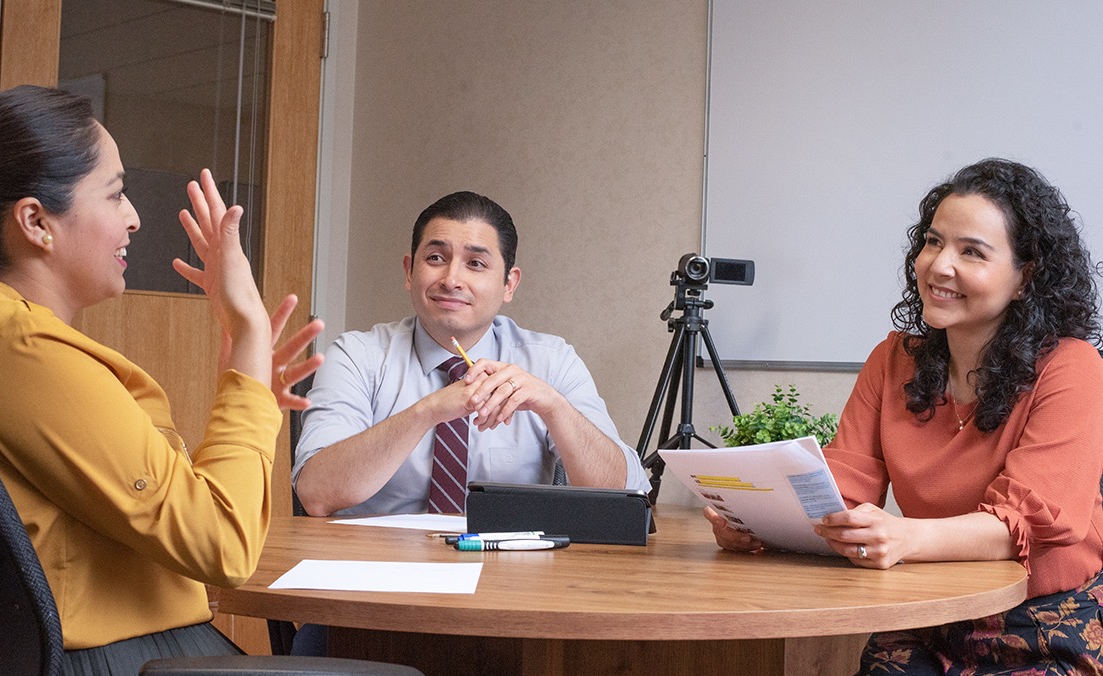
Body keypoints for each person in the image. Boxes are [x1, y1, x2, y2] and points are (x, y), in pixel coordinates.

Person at [0, 85, 324, 672]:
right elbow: (223, 545)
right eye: (116, 193)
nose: (134, 217)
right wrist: (251, 334)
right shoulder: (23, 356)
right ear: (36, 222)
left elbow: (180, 513)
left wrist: (245, 388)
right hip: (127, 662)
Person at [706, 158, 1103, 673]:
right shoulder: (893, 359)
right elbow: (842, 490)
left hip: (1042, 618)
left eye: (972, 252)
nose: (939, 265)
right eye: (933, 241)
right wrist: (759, 524)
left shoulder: (1071, 366)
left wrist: (906, 535)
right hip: (928, 607)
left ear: (1026, 279)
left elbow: (1026, 524)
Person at [292, 190, 649, 517]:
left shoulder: (550, 360)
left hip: (507, 569)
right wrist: (426, 412)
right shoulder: (357, 355)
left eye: (475, 264)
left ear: (509, 284)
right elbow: (316, 494)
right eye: (435, 258)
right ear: (408, 271)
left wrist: (554, 407)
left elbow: (624, 493)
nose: (451, 279)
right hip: (373, 569)